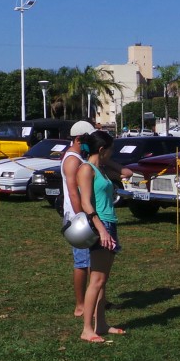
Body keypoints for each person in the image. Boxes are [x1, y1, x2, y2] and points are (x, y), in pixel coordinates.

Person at [78, 130, 126, 343]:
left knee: (102, 280)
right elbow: (86, 203)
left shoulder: (101, 169)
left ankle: (102, 324)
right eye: (110, 149)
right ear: (101, 149)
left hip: (110, 223)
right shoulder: (86, 170)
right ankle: (87, 329)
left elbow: (128, 173)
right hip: (100, 226)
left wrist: (108, 160)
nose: (112, 153)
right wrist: (102, 230)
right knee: (96, 280)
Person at [62, 120, 97, 317]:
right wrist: (82, 217)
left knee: (92, 260)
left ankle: (95, 300)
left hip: (83, 215)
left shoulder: (79, 157)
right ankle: (80, 305)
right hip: (77, 217)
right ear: (78, 139)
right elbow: (73, 192)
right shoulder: (72, 160)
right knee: (82, 263)